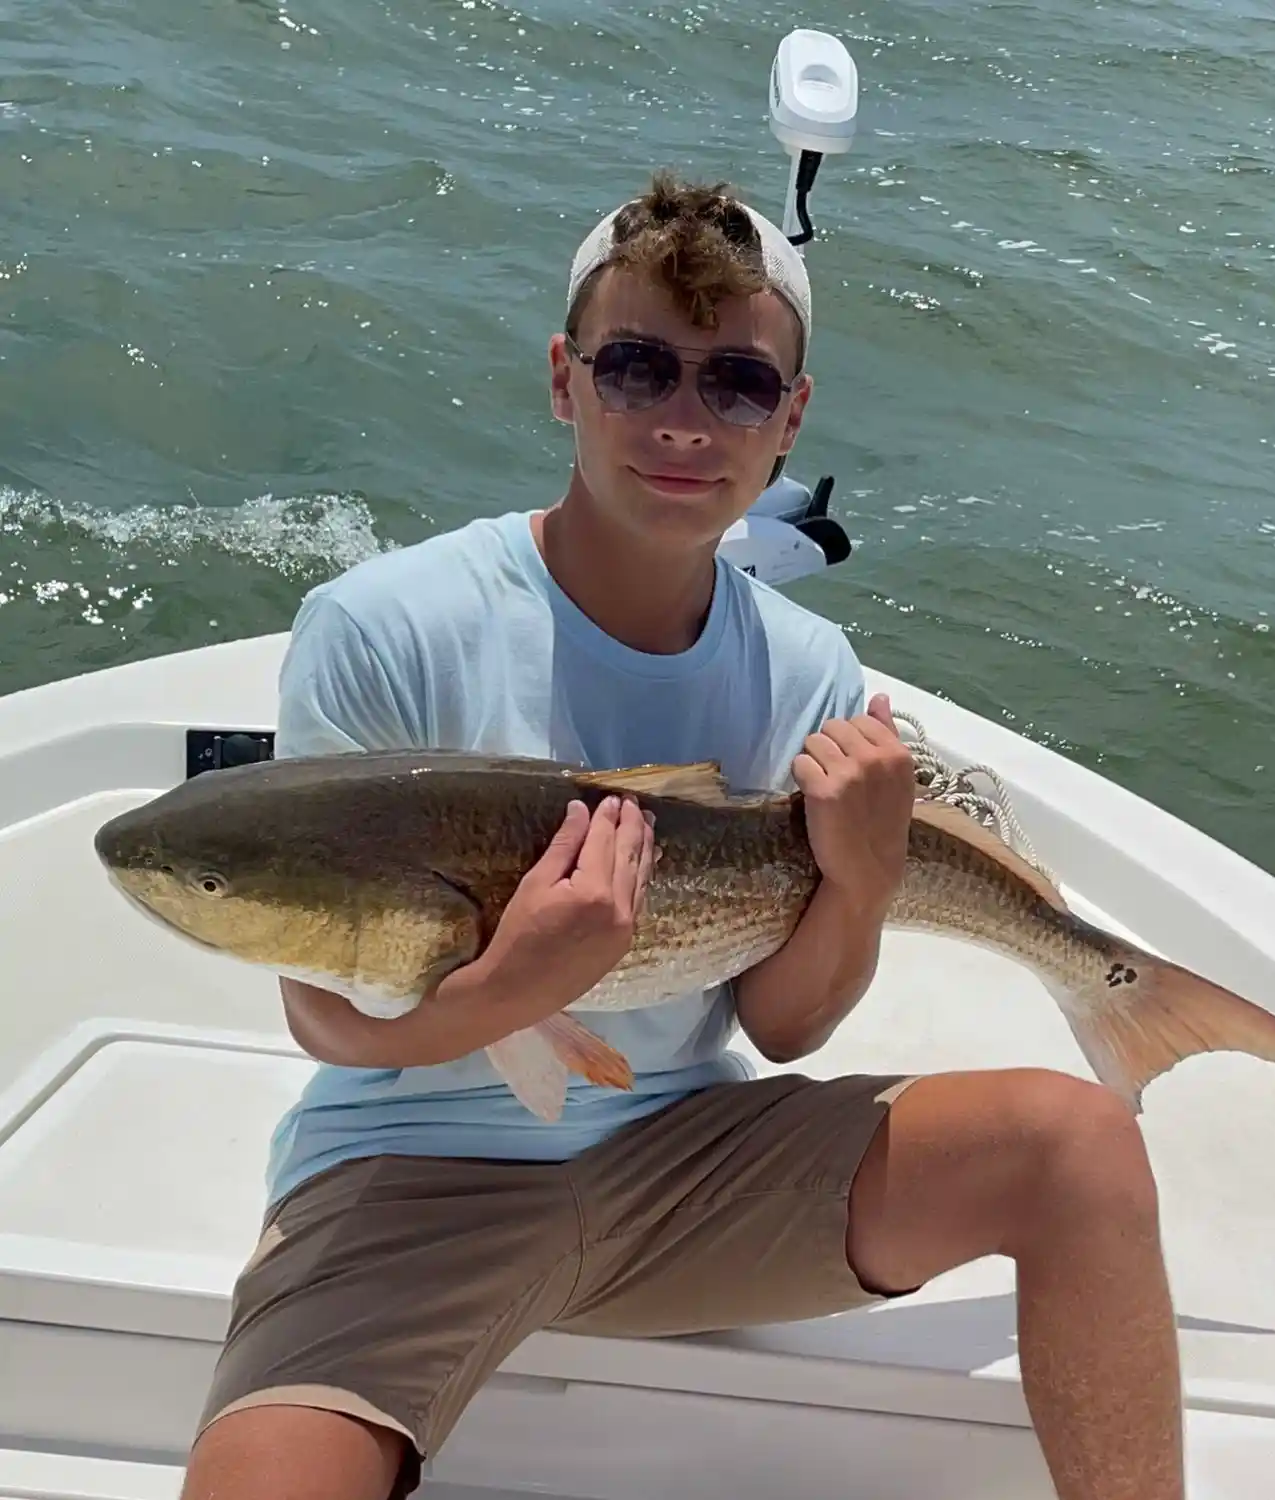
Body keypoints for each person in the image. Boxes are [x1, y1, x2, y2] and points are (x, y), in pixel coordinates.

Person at [179, 170, 1185, 1500]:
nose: (684, 423)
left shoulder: (808, 670)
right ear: (564, 379)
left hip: (688, 1164)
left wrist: (869, 874)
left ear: (791, 422)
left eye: (738, 386)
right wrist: (505, 991)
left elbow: (783, 1027)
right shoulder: (387, 628)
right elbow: (327, 1017)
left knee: (1080, 1146)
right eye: (640, 367)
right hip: (407, 1173)